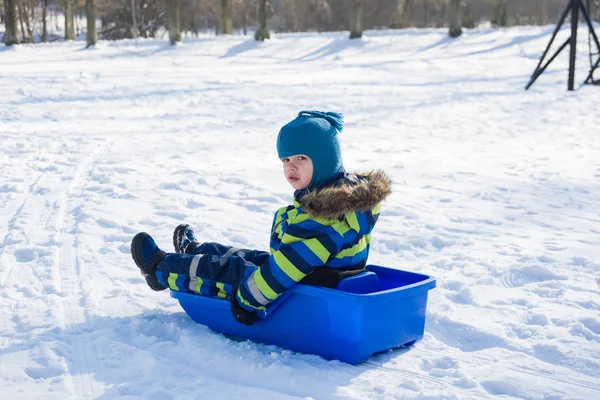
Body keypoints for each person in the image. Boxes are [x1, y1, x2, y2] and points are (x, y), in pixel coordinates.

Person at [130, 111, 392, 325]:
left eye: (302, 158)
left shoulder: (323, 219)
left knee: (229, 273)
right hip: (314, 276)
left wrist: (248, 299)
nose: (291, 166)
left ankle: (159, 268)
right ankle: (198, 251)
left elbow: (285, 268)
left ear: (325, 160)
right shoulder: (348, 201)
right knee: (252, 259)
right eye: (286, 158)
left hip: (304, 293)